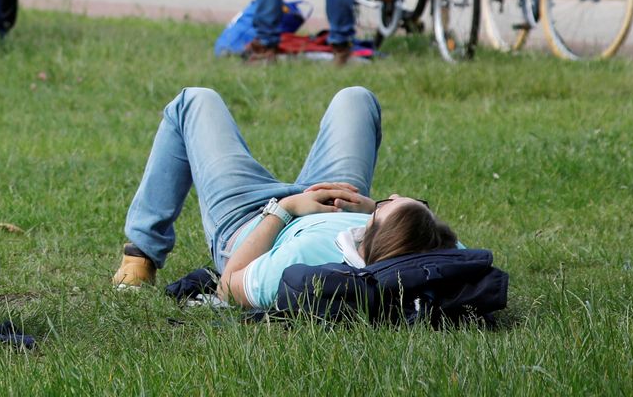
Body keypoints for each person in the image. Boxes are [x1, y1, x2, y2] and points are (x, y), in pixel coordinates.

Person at [110, 87, 459, 308]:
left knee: (194, 101)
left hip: (255, 217)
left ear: (370, 234)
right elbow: (458, 252)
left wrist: (286, 208)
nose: (392, 194)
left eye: (387, 202)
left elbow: (228, 288)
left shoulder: (304, 257)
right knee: (357, 98)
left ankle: (141, 255)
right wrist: (370, 208)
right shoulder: (434, 250)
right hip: (337, 198)